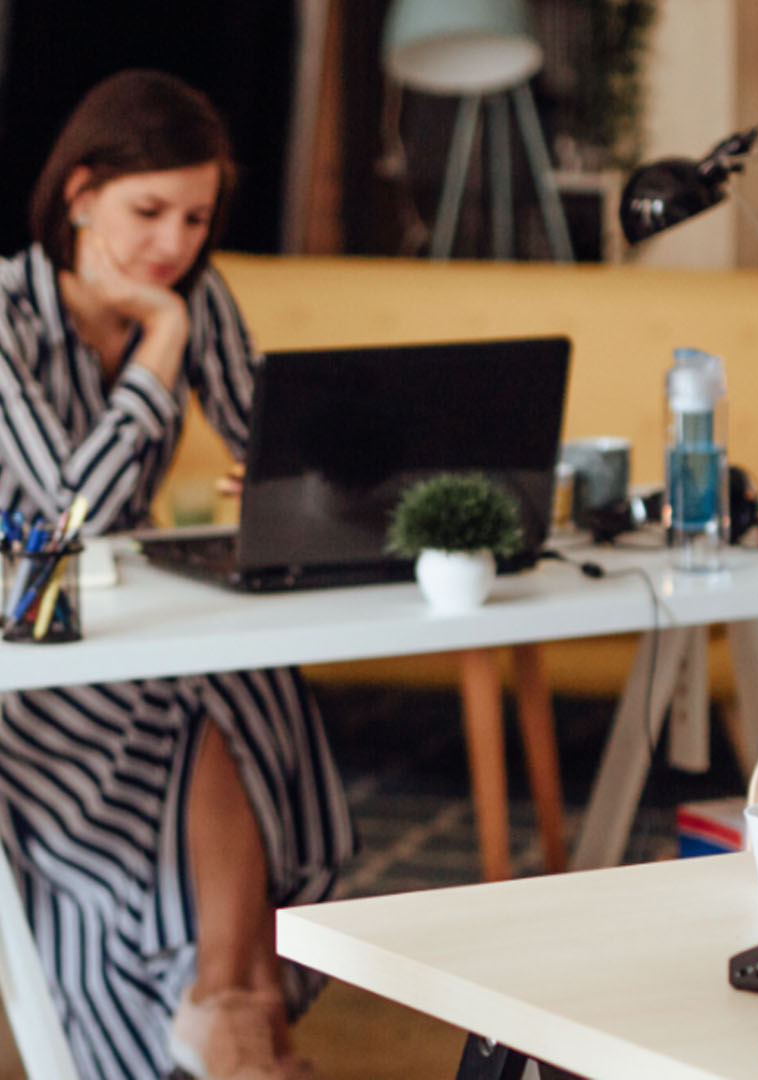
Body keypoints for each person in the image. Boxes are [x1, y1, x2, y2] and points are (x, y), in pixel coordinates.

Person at [0, 70, 354, 1080]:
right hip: (23, 657)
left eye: (196, 217)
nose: (174, 244)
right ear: (79, 195)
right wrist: (160, 341)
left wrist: (297, 476)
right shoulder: (9, 315)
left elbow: (267, 441)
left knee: (245, 674)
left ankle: (223, 1001)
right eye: (148, 211)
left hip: (130, 637)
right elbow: (73, 514)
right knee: (216, 685)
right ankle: (239, 1018)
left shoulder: (201, 293)